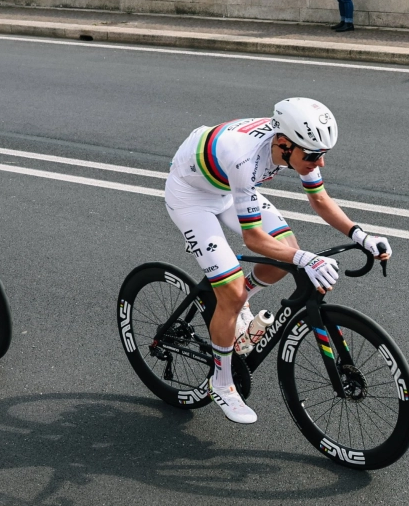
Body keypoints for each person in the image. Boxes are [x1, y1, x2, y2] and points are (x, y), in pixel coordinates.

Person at [164, 98, 391, 424]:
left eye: (323, 154)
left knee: (286, 249)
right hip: (192, 196)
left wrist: (362, 236)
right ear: (283, 144)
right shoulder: (244, 157)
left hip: (228, 188)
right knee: (233, 290)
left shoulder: (294, 144)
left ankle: (241, 302)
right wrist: (307, 259)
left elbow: (319, 199)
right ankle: (222, 383)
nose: (320, 162)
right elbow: (254, 239)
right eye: (312, 155)